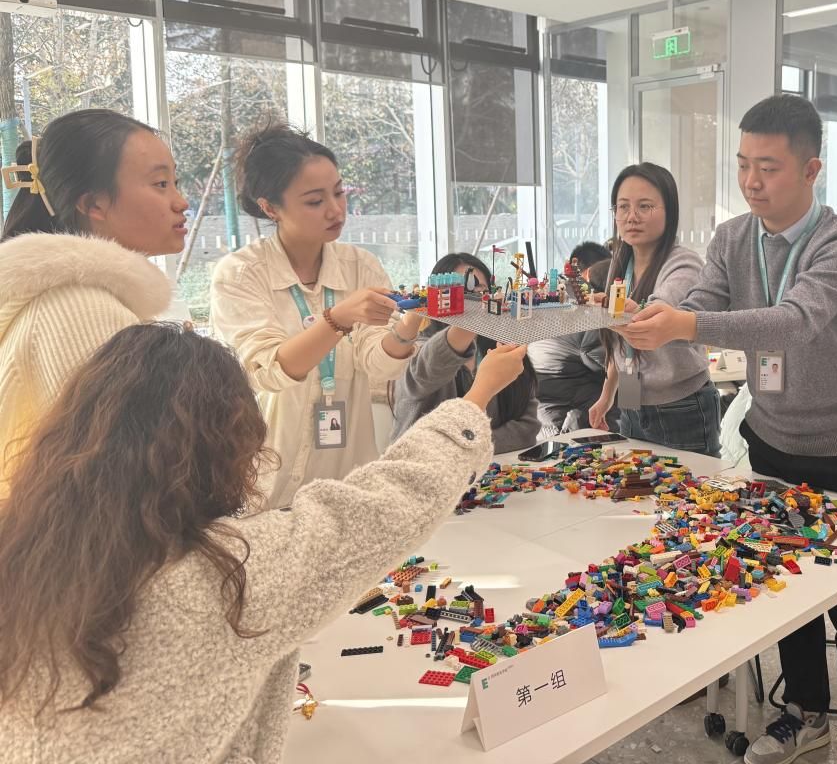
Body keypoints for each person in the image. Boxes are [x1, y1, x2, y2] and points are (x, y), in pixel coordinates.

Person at [0, 321, 526, 762]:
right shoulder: (226, 576)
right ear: (229, 439)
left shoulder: (25, 545)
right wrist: (476, 397)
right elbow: (390, 503)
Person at [620, 95, 837, 764]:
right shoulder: (732, 238)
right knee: (785, 584)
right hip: (772, 435)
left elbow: (793, 322)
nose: (751, 181)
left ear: (811, 169)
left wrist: (686, 324)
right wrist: (660, 314)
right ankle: (804, 714)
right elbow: (704, 301)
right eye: (743, 164)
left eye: (768, 167)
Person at [210, 123, 425, 509]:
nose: (335, 210)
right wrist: (337, 319)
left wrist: (408, 328)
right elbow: (267, 370)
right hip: (265, 486)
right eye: (314, 201)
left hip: (346, 481)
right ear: (270, 207)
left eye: (339, 192)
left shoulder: (361, 266)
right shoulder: (242, 274)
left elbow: (377, 363)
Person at [0, 109, 187, 498]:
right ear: (94, 204)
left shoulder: (68, 296)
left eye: (176, 182)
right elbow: (118, 486)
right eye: (160, 184)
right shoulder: (80, 307)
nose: (181, 201)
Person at [589, 162, 721, 456]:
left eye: (645, 206)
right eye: (623, 207)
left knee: (690, 486)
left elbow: (659, 311)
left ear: (669, 212)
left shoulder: (684, 263)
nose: (631, 216)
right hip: (632, 403)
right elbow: (620, 344)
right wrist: (607, 395)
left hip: (683, 406)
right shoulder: (621, 265)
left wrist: (632, 312)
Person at [391, 252, 540, 454]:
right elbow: (429, 367)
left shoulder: (502, 348)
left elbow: (527, 428)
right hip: (420, 467)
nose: (474, 298)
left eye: (481, 290)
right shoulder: (418, 349)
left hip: (494, 468)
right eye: (462, 291)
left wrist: (468, 449)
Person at [530, 250, 615, 436]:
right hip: (564, 410)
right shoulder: (591, 312)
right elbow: (607, 360)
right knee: (624, 399)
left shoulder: (562, 294)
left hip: (541, 401)